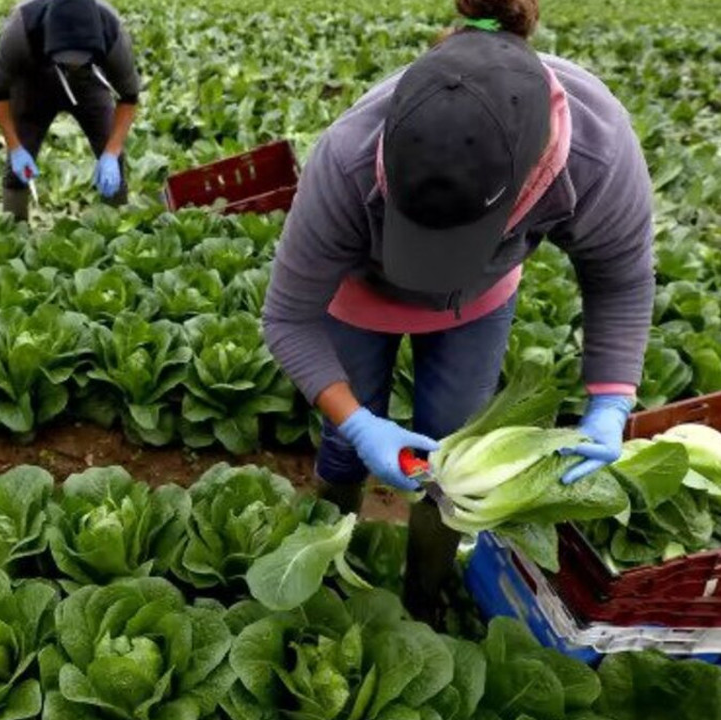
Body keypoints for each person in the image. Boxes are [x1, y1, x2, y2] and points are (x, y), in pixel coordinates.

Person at [261, 0, 654, 621]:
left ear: (535, 174)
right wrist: (362, 424)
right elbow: (287, 318)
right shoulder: (346, 157)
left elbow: (620, 277)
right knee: (344, 440)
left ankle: (426, 596)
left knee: (449, 458)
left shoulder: (596, 152)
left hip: (479, 303)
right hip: (358, 301)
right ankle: (325, 566)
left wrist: (610, 401)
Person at [0, 0, 141, 221]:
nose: (72, 65)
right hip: (34, 82)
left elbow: (129, 96)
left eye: (79, 59)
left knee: (113, 157)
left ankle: (115, 227)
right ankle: (14, 231)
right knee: (16, 166)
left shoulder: (111, 31)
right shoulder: (21, 29)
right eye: (67, 60)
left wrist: (112, 152)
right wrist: (15, 147)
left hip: (91, 82)